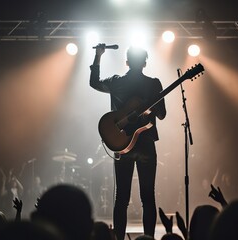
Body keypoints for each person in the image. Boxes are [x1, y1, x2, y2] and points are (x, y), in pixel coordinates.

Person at [90, 44, 167, 240]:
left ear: (126, 62)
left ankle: (119, 239)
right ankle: (148, 238)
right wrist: (154, 107)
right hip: (146, 143)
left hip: (121, 144)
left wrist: (98, 56)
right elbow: (163, 114)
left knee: (121, 198)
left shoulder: (116, 82)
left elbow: (94, 82)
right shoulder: (154, 83)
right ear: (144, 62)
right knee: (148, 197)